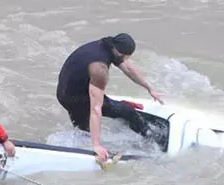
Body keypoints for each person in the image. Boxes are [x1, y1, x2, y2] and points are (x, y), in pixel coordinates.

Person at [55, 33, 166, 162]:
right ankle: (153, 139)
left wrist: (149, 88)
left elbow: (129, 69)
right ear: (120, 53)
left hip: (65, 92)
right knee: (127, 111)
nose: (125, 61)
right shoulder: (99, 69)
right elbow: (96, 109)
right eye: (125, 58)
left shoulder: (106, 45)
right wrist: (97, 145)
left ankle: (83, 144)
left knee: (84, 131)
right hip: (75, 97)